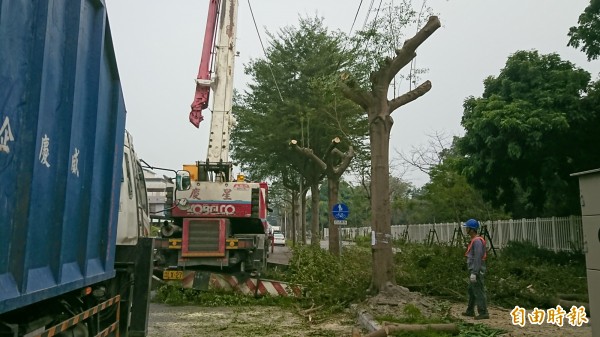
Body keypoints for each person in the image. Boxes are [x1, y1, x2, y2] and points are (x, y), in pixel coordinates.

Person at [462, 218, 489, 319]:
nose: (466, 229)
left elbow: (478, 258)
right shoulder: (474, 240)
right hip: (474, 270)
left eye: (467, 228)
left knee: (478, 291)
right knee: (471, 290)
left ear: (472, 229)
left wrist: (474, 272)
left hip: (476, 270)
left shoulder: (477, 241)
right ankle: (470, 310)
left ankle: (483, 312)